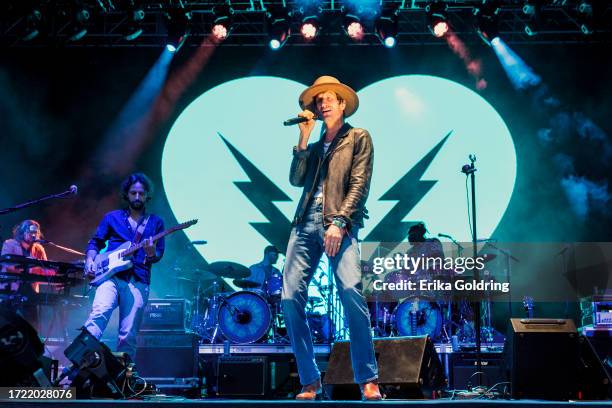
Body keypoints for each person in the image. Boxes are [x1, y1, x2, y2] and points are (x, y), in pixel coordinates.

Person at [281, 76, 381, 400]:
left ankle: (368, 379)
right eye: (318, 100)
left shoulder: (358, 137)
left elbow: (360, 184)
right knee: (288, 297)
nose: (322, 104)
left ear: (342, 104)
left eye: (328, 98)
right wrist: (303, 138)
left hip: (340, 225)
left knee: (351, 292)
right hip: (304, 223)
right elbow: (296, 180)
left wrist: (339, 222)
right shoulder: (313, 146)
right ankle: (310, 380)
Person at [83, 173, 165, 360]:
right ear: (126, 195)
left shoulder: (156, 223)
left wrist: (151, 252)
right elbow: (95, 243)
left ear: (147, 196)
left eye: (141, 194)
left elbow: (157, 256)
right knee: (99, 314)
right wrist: (90, 260)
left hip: (138, 279)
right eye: (133, 193)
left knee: (128, 334)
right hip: (109, 277)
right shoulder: (112, 218)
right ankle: (81, 359)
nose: (137, 197)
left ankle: (124, 377)